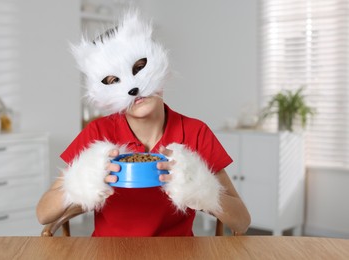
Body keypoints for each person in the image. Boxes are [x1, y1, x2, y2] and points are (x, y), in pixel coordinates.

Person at [36, 10, 250, 237]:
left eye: (139, 68)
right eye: (113, 81)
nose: (132, 87)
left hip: (177, 252)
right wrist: (81, 180)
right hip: (109, 253)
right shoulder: (98, 132)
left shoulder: (195, 132)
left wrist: (201, 187)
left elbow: (242, 221)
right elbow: (43, 214)